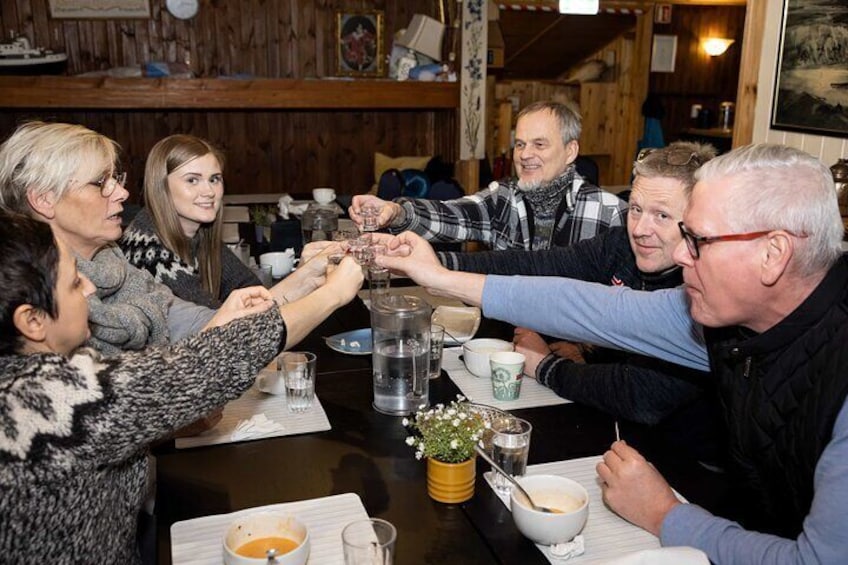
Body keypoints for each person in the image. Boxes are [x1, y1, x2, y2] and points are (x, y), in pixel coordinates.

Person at [375, 144, 848, 563]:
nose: (683, 254)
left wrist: (665, 514)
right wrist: (438, 275)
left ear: (774, 253)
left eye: (698, 240)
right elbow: (586, 305)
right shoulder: (726, 320)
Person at [0, 210, 342, 562]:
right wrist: (333, 293)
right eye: (74, 283)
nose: (88, 290)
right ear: (32, 320)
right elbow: (202, 366)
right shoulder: (44, 400)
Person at [0, 121, 362, 356]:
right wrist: (331, 294)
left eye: (214, 179)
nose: (122, 195)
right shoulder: (47, 302)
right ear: (43, 199)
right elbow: (170, 380)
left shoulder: (113, 263)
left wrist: (310, 275)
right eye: (101, 183)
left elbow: (206, 320)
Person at [434, 142, 718, 440]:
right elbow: (540, 265)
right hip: (611, 426)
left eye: (661, 215)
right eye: (635, 209)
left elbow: (642, 395)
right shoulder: (620, 245)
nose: (639, 229)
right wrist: (440, 262)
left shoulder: (705, 291)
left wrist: (547, 367)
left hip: (685, 460)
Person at [349, 100, 627, 250]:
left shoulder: (611, 213)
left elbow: (630, 300)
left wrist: (585, 347)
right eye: (520, 144)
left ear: (570, 151)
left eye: (539, 144)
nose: (524, 154)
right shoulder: (505, 198)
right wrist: (396, 211)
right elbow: (451, 216)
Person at [121, 134, 280, 309]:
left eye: (214, 179)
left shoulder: (200, 231)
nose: (209, 191)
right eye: (192, 180)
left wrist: (306, 275)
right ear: (161, 186)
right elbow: (220, 329)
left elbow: (252, 289)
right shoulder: (150, 252)